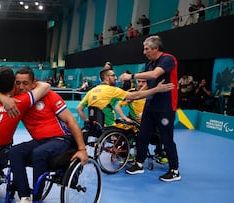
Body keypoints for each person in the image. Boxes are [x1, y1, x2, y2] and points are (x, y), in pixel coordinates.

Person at [0, 67, 88, 203]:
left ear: (34, 83)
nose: (21, 87)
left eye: (25, 83)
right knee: (14, 151)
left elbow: (70, 120)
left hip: (61, 139)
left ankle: (36, 199)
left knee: (39, 153)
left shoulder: (49, 96)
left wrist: (82, 149)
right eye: (18, 83)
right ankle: (25, 197)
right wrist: (4, 99)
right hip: (40, 141)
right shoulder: (15, 98)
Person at [119, 35, 180, 182]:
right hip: (150, 106)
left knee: (166, 139)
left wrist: (131, 76)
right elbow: (147, 84)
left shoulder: (168, 59)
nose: (144, 52)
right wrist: (134, 96)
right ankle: (139, 164)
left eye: (146, 49)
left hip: (166, 107)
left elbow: (155, 74)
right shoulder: (149, 63)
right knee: (142, 136)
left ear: (156, 48)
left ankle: (174, 170)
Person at [77, 66, 174, 130]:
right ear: (106, 78)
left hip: (97, 128)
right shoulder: (112, 90)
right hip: (111, 127)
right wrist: (157, 89)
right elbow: (134, 96)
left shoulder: (91, 91)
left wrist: (87, 122)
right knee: (133, 130)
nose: (115, 78)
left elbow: (79, 109)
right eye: (113, 75)